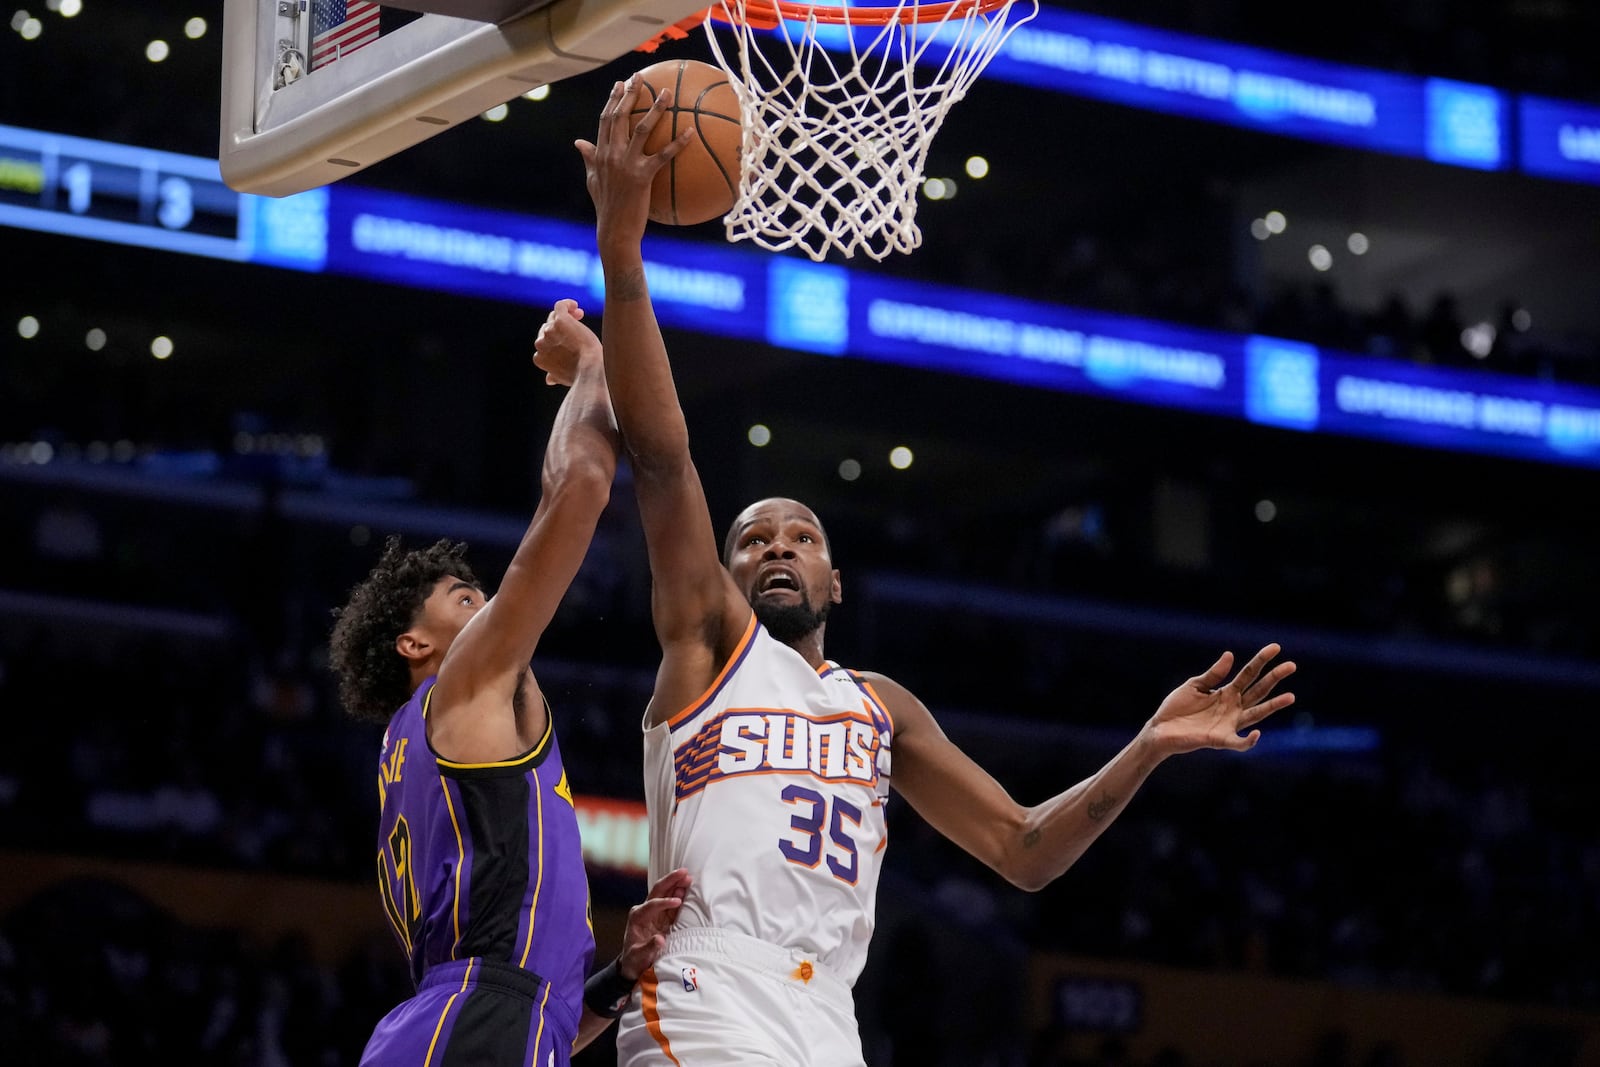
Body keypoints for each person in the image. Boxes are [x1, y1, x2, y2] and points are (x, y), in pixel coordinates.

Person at [559, 78, 1299, 1066]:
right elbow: (661, 459)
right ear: (726, 576)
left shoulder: (882, 708)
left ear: (836, 580)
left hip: (827, 1018)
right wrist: (622, 253)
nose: (777, 544)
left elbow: (1023, 849)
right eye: (753, 539)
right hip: (704, 987)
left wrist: (1148, 745)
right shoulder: (705, 646)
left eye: (801, 535)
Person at [326, 317, 690, 1064]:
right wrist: (590, 361)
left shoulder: (421, 748)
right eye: (463, 597)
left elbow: (538, 1015)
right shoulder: (460, 684)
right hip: (468, 1020)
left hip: (474, 1022)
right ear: (413, 643)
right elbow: (582, 485)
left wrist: (619, 976)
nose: (488, 605)